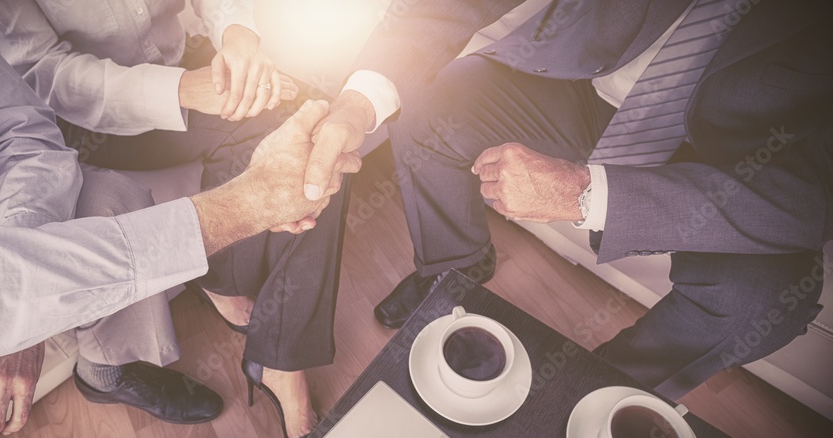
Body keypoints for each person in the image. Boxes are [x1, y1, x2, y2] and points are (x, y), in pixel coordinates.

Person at [0, 0, 349, 438]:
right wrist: (11, 311)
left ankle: (115, 370)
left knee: (110, 197)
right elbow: (44, 75)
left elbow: (18, 133)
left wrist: (237, 32)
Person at [305, 0, 831, 398]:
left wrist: (588, 194)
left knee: (762, 300)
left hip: (727, 165)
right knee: (432, 108)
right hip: (585, 86)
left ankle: (588, 398)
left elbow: (815, 194)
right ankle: (456, 269)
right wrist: (359, 102)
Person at [0, 0, 349, 438]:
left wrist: (237, 33)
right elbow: (45, 73)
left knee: (316, 128)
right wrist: (180, 90)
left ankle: (277, 354)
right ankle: (236, 301)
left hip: (187, 64)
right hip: (92, 118)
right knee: (295, 141)